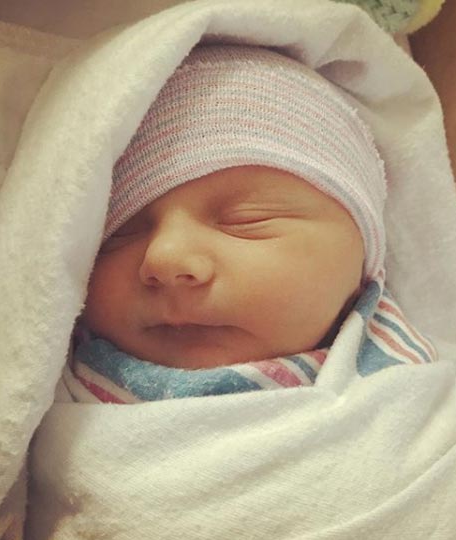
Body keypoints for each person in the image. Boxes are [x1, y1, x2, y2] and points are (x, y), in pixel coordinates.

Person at [59, 43, 432, 404]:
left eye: (246, 220)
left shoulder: (405, 395)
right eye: (119, 233)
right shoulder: (53, 384)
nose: (164, 257)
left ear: (364, 257)